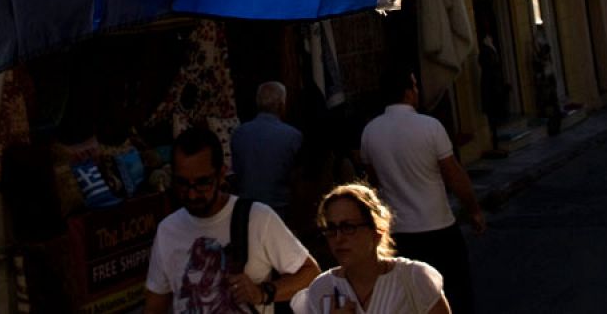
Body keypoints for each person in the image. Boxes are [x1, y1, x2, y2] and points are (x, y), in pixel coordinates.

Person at [145, 127, 319, 313]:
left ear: (221, 174)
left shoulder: (258, 218)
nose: (192, 194)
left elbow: (310, 273)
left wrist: (263, 293)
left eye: (203, 182)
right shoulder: (167, 231)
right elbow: (155, 305)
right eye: (182, 183)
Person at [360, 70, 483, 314]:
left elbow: (372, 183)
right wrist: (474, 210)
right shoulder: (430, 127)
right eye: (415, 86)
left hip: (399, 233)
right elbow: (454, 174)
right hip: (438, 228)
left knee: (408, 302)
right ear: (408, 92)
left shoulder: (370, 132)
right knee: (453, 296)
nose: (417, 91)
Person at [290, 183, 449, 314]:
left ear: (376, 232)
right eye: (331, 229)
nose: (339, 238)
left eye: (348, 227)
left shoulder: (413, 279)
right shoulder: (322, 290)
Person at [231, 82, 304, 221]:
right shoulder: (293, 136)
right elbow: (296, 181)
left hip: (246, 212)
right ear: (282, 105)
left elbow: (237, 174)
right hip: (279, 212)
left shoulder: (239, 134)